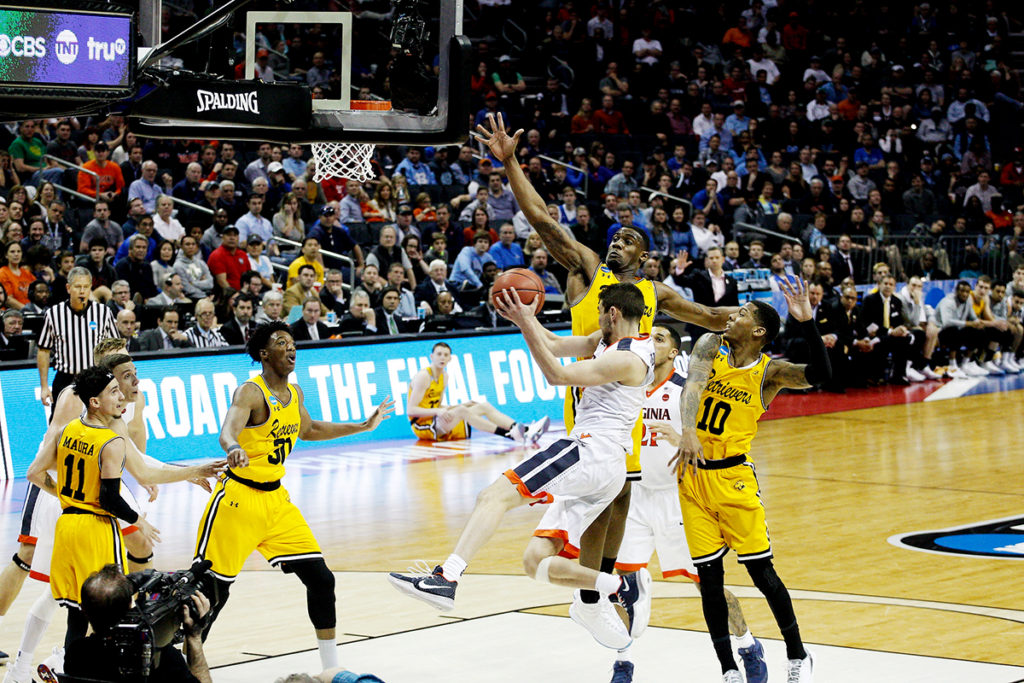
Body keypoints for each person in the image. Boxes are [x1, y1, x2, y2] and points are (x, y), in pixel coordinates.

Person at [473, 113, 735, 616]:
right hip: (588, 409)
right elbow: (546, 222)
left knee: (620, 504)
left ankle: (600, 588)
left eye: (629, 240)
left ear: (646, 255)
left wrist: (763, 321)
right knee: (600, 504)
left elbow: (709, 316)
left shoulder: (655, 293)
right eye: (615, 236)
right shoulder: (589, 270)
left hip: (630, 418)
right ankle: (592, 591)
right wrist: (510, 164)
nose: (617, 241)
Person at [390, 284, 656, 651]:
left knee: (493, 495)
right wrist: (525, 318)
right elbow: (555, 344)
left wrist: (524, 323)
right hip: (606, 469)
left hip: (591, 452)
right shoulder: (606, 340)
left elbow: (557, 375)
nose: (596, 320)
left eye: (598, 312)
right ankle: (618, 588)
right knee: (536, 560)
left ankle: (446, 578)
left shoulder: (631, 357)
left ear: (612, 313)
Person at [193, 321, 394, 671]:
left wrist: (362, 426)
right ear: (263, 354)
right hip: (238, 501)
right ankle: (183, 664)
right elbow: (227, 432)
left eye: (292, 342)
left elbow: (309, 429)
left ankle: (330, 669)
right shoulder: (250, 392)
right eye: (281, 343)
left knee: (321, 579)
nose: (291, 348)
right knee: (211, 594)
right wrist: (234, 447)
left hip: (276, 502)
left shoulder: (295, 393)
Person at [675, 278, 828, 682]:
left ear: (758, 331)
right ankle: (727, 668)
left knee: (762, 574)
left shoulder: (770, 372)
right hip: (691, 479)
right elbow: (691, 385)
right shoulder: (711, 346)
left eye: (741, 313)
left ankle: (798, 655)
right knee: (709, 581)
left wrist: (807, 322)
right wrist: (688, 429)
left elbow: (822, 375)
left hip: (734, 479)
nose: (732, 315)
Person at [605, 325, 764, 683]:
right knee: (624, 584)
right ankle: (624, 661)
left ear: (675, 353)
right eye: (649, 337)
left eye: (660, 339)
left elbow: (716, 447)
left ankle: (748, 644)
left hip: (677, 499)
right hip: (633, 499)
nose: (651, 342)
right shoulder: (626, 383)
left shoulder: (686, 391)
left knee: (707, 587)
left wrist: (683, 437)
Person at [25, 361, 222, 647]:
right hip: (95, 529)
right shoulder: (110, 440)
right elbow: (109, 498)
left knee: (77, 614)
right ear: (94, 402)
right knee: (109, 611)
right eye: (114, 391)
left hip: (67, 526)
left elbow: (34, 473)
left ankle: (69, 667)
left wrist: (68, 496)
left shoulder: (68, 430)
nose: (121, 397)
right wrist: (138, 520)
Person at [63, 564, 212, 683]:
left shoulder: (76, 653)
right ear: (131, 607)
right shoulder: (160, 659)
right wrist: (194, 637)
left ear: (83, 610)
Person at [406, 341, 548, 443]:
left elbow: (438, 407)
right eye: (439, 354)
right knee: (462, 411)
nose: (442, 357)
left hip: (436, 420)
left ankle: (527, 430)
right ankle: (510, 435)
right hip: (422, 426)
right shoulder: (424, 376)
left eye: (445, 355)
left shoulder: (444, 376)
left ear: (450, 358)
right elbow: (411, 410)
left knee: (483, 406)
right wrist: (439, 412)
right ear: (432, 357)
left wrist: (460, 405)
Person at [37, 267, 118, 414]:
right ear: (68, 288)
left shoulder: (103, 312)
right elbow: (43, 350)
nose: (82, 291)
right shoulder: (53, 314)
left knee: (101, 425)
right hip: (66, 379)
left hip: (96, 378)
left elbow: (115, 349)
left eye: (86, 287)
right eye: (78, 287)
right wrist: (44, 386)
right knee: (60, 428)